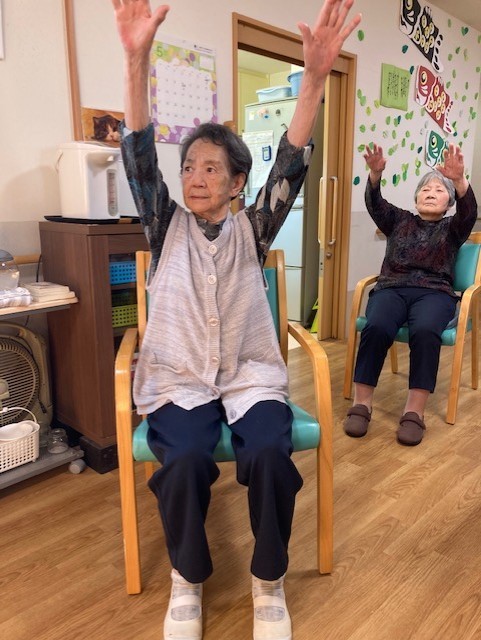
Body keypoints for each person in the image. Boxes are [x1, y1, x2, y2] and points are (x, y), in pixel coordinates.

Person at [111, 0, 360, 638]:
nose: (195, 178)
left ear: (237, 182)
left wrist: (313, 79)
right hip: (179, 379)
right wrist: (137, 60)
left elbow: (291, 162)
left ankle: (268, 579)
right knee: (186, 460)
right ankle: (187, 577)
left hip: (250, 377)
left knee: (272, 453)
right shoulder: (165, 226)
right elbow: (139, 158)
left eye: (211, 168)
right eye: (189, 167)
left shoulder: (254, 229)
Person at [344, 142, 477, 446]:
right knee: (377, 326)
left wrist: (459, 181)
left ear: (449, 202)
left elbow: (469, 211)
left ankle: (414, 412)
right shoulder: (399, 220)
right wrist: (374, 175)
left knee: (426, 330)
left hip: (435, 293)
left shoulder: (453, 228)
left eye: (439, 190)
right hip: (392, 288)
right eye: (425, 189)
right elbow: (375, 204)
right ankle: (362, 404)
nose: (430, 192)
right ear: (416, 199)